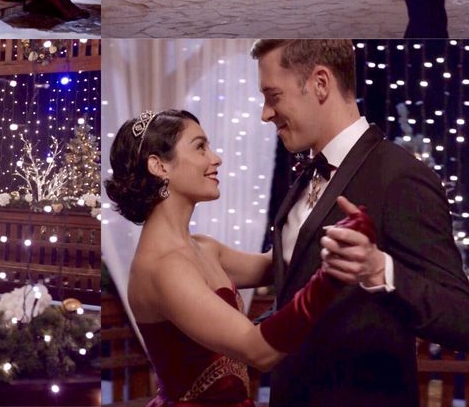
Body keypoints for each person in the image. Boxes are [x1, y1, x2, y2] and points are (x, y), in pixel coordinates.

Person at [251, 39, 469, 407]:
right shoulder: (308, 173)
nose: (265, 113)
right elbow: (303, 284)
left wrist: (379, 269)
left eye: (273, 96)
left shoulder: (399, 177)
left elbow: (461, 317)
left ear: (321, 83)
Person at [105, 109, 375, 406]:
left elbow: (279, 264)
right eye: (200, 147)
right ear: (159, 166)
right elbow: (258, 351)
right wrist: (332, 276)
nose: (215, 158)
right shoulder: (163, 268)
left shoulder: (203, 247)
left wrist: (327, 212)